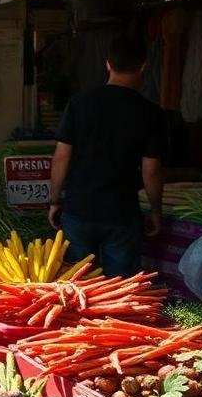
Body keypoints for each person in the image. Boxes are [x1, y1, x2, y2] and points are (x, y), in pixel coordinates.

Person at [49, 34, 166, 278]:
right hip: (121, 213)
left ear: (108, 65)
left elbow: (61, 157)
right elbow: (151, 170)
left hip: (79, 208)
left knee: (77, 285)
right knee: (118, 291)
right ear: (143, 67)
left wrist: (54, 200)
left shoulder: (79, 104)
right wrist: (156, 210)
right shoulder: (151, 113)